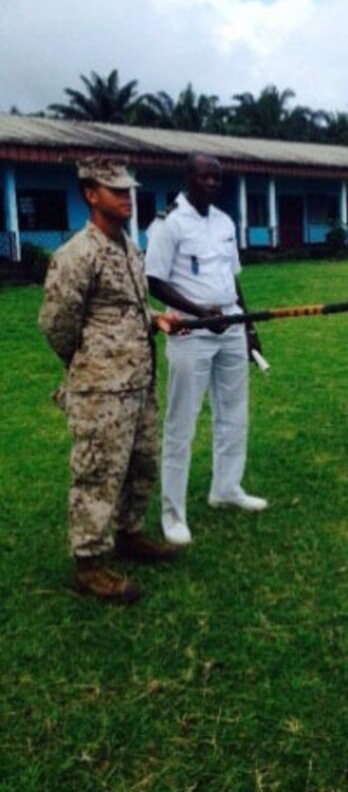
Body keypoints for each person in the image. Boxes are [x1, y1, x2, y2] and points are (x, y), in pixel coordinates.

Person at [38, 157, 182, 605]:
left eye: (128, 189)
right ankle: (89, 563)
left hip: (139, 379)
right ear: (90, 194)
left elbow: (124, 309)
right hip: (101, 389)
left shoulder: (127, 246)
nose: (126, 196)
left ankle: (129, 534)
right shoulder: (78, 254)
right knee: (98, 472)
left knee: (141, 463)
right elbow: (56, 324)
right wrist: (90, 361)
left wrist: (155, 319)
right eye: (115, 189)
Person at [145, 153, 267, 547]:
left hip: (229, 324)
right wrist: (200, 313)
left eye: (217, 179)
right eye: (204, 177)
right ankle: (173, 514)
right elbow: (154, 282)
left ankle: (226, 488)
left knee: (234, 412)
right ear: (188, 179)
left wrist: (247, 326)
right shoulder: (168, 224)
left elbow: (233, 279)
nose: (212, 184)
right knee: (181, 422)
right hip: (190, 329)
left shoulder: (225, 221)